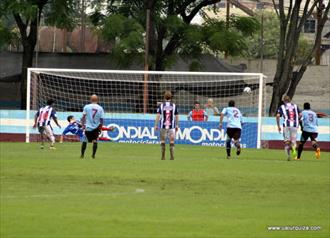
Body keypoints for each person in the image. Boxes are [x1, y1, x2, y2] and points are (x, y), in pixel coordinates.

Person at [154, 91, 179, 160]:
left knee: (162, 141)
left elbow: (158, 116)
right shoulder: (174, 105)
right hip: (172, 126)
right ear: (171, 97)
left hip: (163, 126)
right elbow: (177, 116)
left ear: (164, 97)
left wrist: (155, 125)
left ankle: (163, 156)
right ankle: (172, 156)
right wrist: (177, 125)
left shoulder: (161, 105)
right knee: (172, 141)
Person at [276, 95, 301, 161]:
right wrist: (297, 120)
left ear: (284, 101)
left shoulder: (282, 107)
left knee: (287, 141)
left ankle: (288, 156)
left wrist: (278, 126)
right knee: (293, 141)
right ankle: (293, 149)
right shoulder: (295, 106)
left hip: (286, 125)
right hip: (295, 125)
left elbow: (278, 116)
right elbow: (300, 115)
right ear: (290, 100)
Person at [80, 94, 104, 159]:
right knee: (95, 140)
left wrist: (82, 125)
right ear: (97, 100)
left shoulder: (86, 107)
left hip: (88, 127)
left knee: (85, 140)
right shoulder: (100, 108)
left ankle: (82, 155)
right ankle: (93, 155)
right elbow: (101, 119)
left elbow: (83, 117)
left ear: (90, 99)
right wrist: (100, 127)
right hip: (96, 127)